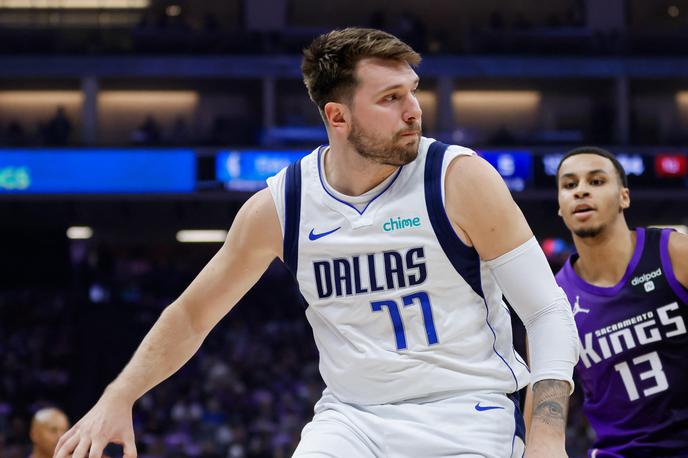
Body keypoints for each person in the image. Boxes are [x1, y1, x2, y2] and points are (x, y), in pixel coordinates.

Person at [54, 27, 579, 458]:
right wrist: (118, 396)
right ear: (337, 116)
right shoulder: (282, 206)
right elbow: (192, 315)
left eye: (413, 91)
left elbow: (546, 311)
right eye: (391, 98)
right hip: (351, 421)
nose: (414, 110)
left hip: (466, 411)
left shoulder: (458, 178)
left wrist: (547, 436)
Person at [554, 146, 688, 456]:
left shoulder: (674, 253)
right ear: (560, 206)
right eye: (569, 185)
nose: (581, 191)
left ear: (624, 197)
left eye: (597, 181)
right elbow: (546, 401)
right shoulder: (554, 299)